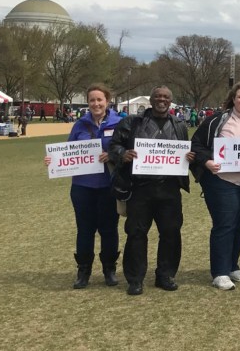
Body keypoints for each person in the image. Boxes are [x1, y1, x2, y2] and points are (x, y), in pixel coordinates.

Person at [108, 86, 195, 295]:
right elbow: (114, 146)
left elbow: (184, 151)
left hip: (169, 188)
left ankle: (165, 275)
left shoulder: (179, 125)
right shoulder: (132, 122)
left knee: (171, 232)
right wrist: (123, 154)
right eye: (157, 96)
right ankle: (135, 279)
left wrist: (188, 157)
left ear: (170, 101)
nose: (161, 100)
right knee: (136, 233)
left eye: (166, 97)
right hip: (140, 188)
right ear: (151, 99)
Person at [191, 82, 240, 291]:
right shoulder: (217, 120)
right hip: (222, 180)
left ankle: (233, 266)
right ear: (233, 99)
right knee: (224, 225)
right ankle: (220, 272)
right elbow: (196, 145)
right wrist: (207, 161)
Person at [43, 84, 123, 288]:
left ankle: (109, 269)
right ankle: (83, 270)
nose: (96, 104)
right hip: (82, 187)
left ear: (107, 101)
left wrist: (112, 155)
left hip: (108, 186)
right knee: (85, 230)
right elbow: (68, 151)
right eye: (92, 100)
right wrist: (52, 160)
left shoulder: (120, 123)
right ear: (88, 103)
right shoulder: (79, 125)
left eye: (99, 99)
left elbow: (127, 151)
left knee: (109, 229)